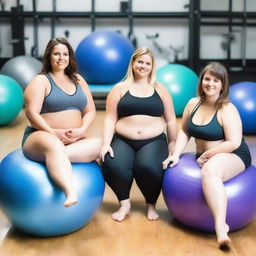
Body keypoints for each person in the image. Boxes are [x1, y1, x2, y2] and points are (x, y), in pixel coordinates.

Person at [163, 62, 251, 248]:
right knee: (206, 166)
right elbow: (185, 131)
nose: (210, 83)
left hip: (233, 154)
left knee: (210, 172)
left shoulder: (227, 109)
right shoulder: (193, 104)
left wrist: (209, 154)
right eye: (207, 78)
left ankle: (220, 225)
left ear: (222, 85)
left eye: (216, 80)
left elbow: (233, 142)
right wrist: (176, 154)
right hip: (205, 155)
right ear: (201, 80)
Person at [22, 37, 101, 207]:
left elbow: (90, 111)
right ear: (48, 57)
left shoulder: (78, 80)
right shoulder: (41, 80)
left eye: (65, 54)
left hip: (73, 139)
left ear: (70, 57)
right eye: (56, 54)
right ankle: (69, 191)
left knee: (99, 144)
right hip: (40, 135)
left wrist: (81, 130)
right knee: (55, 146)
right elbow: (32, 113)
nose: (61, 58)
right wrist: (53, 133)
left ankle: (56, 159)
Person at [100, 47, 177, 222]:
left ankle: (151, 204)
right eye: (140, 61)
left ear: (152, 66)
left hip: (153, 141)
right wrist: (105, 143)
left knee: (148, 167)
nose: (143, 66)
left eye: (147, 63)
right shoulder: (119, 89)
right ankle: (124, 204)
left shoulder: (161, 89)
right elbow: (110, 119)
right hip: (123, 139)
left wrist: (173, 144)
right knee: (112, 164)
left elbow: (171, 120)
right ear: (133, 63)